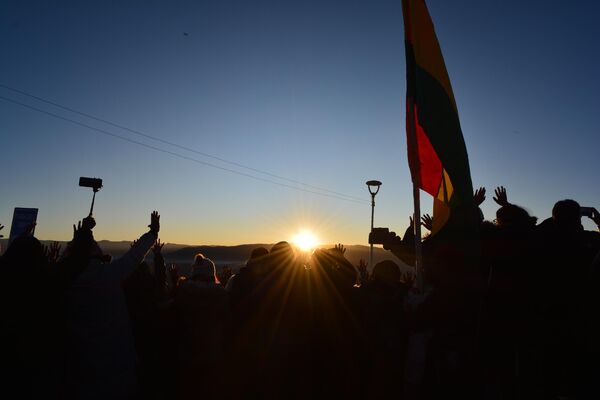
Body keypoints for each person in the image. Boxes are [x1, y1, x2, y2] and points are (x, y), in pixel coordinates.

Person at [64, 211, 160, 400]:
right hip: (119, 369)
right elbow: (135, 255)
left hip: (82, 371)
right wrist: (153, 233)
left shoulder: (64, 281)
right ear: (96, 254)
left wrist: (81, 238)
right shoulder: (108, 275)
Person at [175, 253, 229, 400]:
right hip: (213, 352)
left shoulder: (183, 292)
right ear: (212, 274)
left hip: (188, 351)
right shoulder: (222, 296)